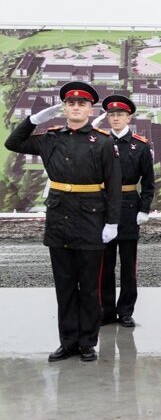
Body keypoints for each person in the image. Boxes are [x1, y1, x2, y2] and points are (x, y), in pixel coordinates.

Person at [5, 81, 121, 362]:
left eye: (82, 104)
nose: (76, 108)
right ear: (64, 108)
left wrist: (112, 223)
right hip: (59, 220)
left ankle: (87, 343)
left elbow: (114, 185)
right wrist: (34, 120)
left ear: (90, 109)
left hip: (92, 221)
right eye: (71, 104)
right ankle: (67, 342)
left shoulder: (103, 142)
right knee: (64, 286)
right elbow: (13, 143)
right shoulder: (50, 138)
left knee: (89, 287)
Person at [94, 95, 155, 328]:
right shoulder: (100, 142)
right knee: (105, 264)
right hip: (104, 206)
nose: (115, 118)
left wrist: (144, 208)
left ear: (129, 117)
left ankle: (126, 310)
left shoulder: (139, 145)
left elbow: (149, 182)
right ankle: (106, 311)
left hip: (129, 207)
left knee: (128, 265)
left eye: (120, 114)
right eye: (111, 115)